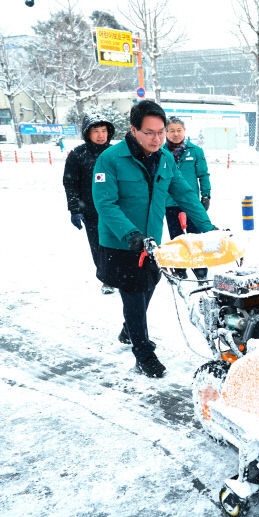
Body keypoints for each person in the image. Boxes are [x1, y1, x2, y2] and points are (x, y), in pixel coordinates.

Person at [92, 100, 216, 378]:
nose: (157, 138)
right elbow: (105, 203)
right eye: (149, 132)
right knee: (134, 295)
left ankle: (129, 329)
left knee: (149, 284)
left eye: (160, 132)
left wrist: (208, 228)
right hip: (120, 243)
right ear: (134, 130)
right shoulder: (110, 159)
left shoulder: (166, 158)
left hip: (151, 241)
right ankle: (143, 353)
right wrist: (130, 234)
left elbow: (185, 194)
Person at [62, 112, 116, 294]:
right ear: (87, 133)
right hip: (91, 211)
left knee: (118, 244)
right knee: (99, 245)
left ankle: (120, 275)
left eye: (104, 131)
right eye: (96, 131)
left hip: (117, 209)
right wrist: (75, 209)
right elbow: (70, 183)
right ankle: (106, 279)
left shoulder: (116, 153)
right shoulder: (78, 155)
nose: (101, 135)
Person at [163, 116, 211, 280]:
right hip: (169, 203)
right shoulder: (161, 152)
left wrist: (206, 194)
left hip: (191, 203)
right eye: (171, 131)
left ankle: (200, 271)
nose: (175, 134)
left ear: (184, 131)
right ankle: (180, 270)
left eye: (179, 130)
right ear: (165, 132)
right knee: (176, 238)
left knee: (195, 237)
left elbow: (203, 175)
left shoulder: (195, 151)